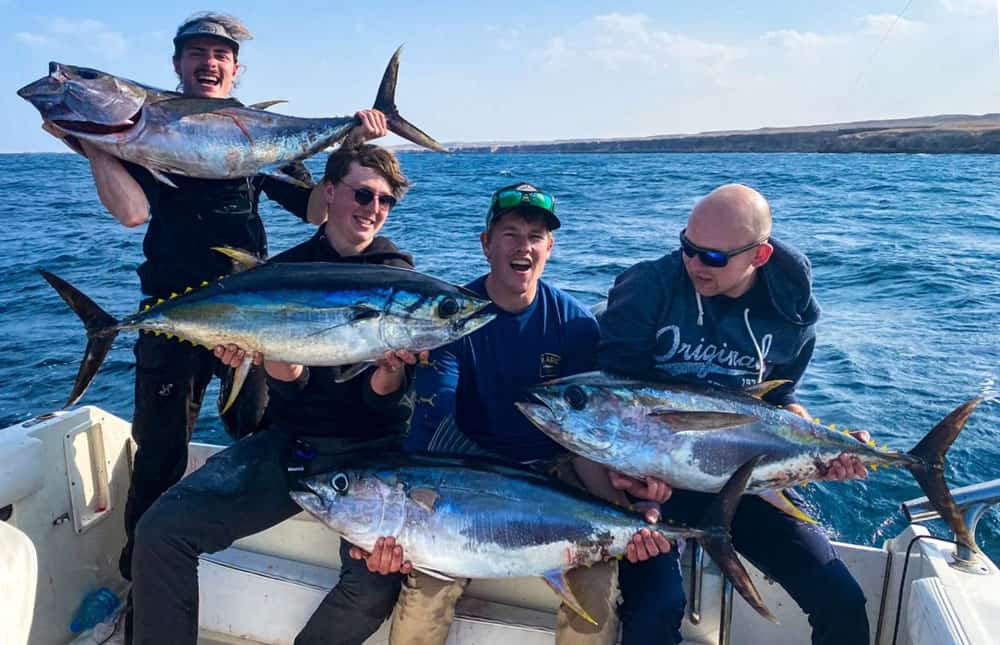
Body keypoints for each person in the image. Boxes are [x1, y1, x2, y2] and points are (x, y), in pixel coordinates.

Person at [40, 11, 389, 583]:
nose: (209, 63)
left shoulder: (252, 134)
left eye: (220, 55)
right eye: (197, 53)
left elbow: (313, 210)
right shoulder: (146, 135)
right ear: (176, 66)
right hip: (170, 314)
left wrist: (347, 148)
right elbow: (131, 213)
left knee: (259, 429)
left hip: (252, 312)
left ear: (235, 68)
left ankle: (261, 560)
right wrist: (91, 142)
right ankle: (141, 576)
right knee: (159, 449)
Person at [349, 183, 673, 645]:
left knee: (595, 596)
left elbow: (583, 442)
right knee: (423, 601)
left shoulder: (576, 326)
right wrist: (397, 523)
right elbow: (432, 418)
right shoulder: (451, 318)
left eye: (535, 236)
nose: (523, 246)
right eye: (510, 233)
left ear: (549, 247)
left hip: (558, 472)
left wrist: (630, 510)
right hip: (468, 471)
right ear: (486, 244)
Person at [130, 143, 421, 645]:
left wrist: (388, 372)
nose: (372, 209)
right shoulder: (279, 273)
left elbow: (383, 405)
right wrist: (261, 356)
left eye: (384, 201)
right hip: (291, 444)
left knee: (374, 586)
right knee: (161, 531)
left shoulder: (398, 281)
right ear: (329, 193)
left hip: (371, 455)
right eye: (362, 194)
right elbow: (291, 392)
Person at [598, 183, 871, 645]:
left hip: (746, 481)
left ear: (759, 256)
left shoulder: (790, 310)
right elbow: (616, 399)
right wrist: (628, 480)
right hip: (656, 481)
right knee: (655, 607)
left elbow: (781, 400)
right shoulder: (647, 288)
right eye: (688, 247)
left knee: (841, 599)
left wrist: (820, 446)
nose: (694, 264)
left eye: (714, 258)